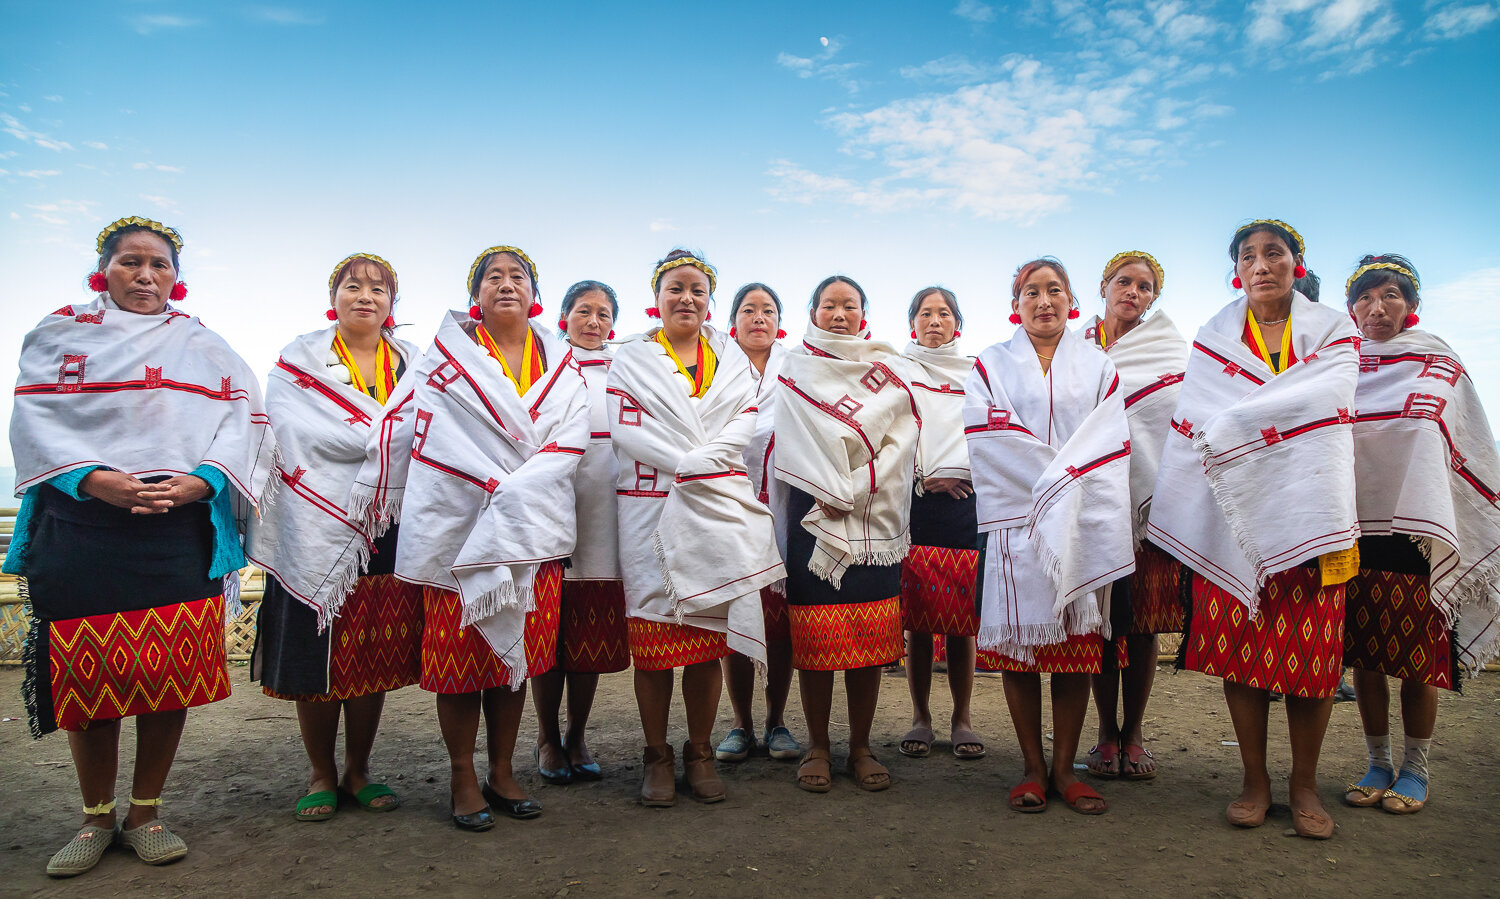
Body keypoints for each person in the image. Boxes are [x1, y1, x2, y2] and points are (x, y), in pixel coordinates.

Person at [7, 216, 276, 875]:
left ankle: (145, 810)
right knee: (91, 671)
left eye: (159, 265)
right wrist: (97, 481)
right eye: (131, 262)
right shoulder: (60, 333)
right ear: (104, 271)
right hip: (84, 526)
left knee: (165, 674)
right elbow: (36, 420)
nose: (146, 275)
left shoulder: (203, 345)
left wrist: (200, 482)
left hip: (176, 528)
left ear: (176, 280)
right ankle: (95, 816)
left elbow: (242, 422)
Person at [353, 245, 589, 830]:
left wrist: (514, 487)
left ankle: (502, 769)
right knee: (460, 662)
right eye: (493, 277)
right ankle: (463, 772)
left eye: (518, 277)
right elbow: (410, 428)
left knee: (516, 657)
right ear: (474, 294)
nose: (506, 285)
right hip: (459, 528)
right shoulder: (440, 360)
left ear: (535, 294)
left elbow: (572, 433)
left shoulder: (563, 362)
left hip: (531, 527)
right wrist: (488, 481)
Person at [1149, 220, 1360, 840]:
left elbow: (1327, 406)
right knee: (1243, 658)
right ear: (1236, 270)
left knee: (1313, 660)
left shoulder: (1332, 332)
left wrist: (1251, 423)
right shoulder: (1214, 341)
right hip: (1231, 521)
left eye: (1275, 253)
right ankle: (1253, 780)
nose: (1262, 264)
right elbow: (1200, 422)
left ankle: (1303, 785)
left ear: (1298, 263)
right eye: (1249, 256)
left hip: (1312, 511)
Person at [247, 253, 424, 821]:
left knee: (368, 652)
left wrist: (382, 454)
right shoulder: (298, 365)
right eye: (353, 286)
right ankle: (321, 772)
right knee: (316, 652)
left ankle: (359, 769)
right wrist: (373, 444)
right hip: (314, 524)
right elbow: (294, 432)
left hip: (387, 524)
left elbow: (429, 431)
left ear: (393, 304)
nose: (365, 296)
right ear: (335, 296)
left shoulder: (417, 366)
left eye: (378, 288)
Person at [606, 249, 784, 806]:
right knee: (655, 641)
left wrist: (697, 463)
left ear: (709, 303)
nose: (687, 299)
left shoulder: (731, 359)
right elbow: (624, 427)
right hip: (650, 508)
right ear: (655, 298)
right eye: (676, 289)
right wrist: (690, 462)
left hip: (715, 505)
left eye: (698, 291)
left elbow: (743, 422)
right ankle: (657, 754)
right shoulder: (629, 359)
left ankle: (700, 750)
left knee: (709, 637)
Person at [964, 258, 1133, 816]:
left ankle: (1065, 769)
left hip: (1080, 521)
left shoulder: (1099, 366)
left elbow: (1110, 436)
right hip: (1017, 524)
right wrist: (1058, 480)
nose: (1043, 301)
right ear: (1016, 305)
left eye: (1054, 290)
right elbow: (988, 436)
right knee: (1021, 650)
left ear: (1071, 300)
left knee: (1073, 651)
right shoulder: (992, 364)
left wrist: (1066, 486)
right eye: (1031, 292)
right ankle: (1033, 767)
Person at [1340, 254, 1500, 815]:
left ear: (1412, 305)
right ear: (1351, 305)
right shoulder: (1339, 364)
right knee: (1365, 656)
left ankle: (1416, 767)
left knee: (1416, 656)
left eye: (1389, 295)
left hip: (1418, 532)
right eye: (1364, 297)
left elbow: (1468, 443)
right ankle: (1377, 760)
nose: (1375, 308)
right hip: (1355, 530)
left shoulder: (1437, 361)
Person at [774, 275, 918, 793]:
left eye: (849, 306)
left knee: (867, 642)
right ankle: (817, 745)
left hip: (874, 521)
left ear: (864, 315)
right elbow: (790, 440)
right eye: (829, 305)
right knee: (814, 638)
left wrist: (853, 484)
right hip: (811, 518)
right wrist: (831, 482)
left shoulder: (888, 370)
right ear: (812, 313)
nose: (839, 314)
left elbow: (902, 439)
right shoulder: (794, 368)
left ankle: (860, 746)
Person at [1079, 252, 1189, 780]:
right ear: (1103, 286)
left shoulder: (1170, 351)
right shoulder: (1073, 348)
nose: (1134, 293)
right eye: (1124, 282)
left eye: (1146, 287)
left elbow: (1179, 423)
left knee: (1142, 626)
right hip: (1091, 504)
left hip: (1149, 509)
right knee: (1102, 622)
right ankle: (1104, 732)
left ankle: (1136, 731)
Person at [531, 280, 629, 784]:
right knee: (548, 630)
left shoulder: (626, 367)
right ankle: (547, 737)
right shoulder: (545, 365)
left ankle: (577, 734)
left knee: (588, 627)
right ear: (563, 316)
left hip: (604, 513)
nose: (594, 321)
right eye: (584, 311)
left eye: (604, 313)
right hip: (551, 503)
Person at [716, 282, 803, 764]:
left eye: (768, 310)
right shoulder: (716, 368)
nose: (758, 318)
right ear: (734, 321)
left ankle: (777, 722)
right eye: (748, 309)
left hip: (784, 509)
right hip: (728, 508)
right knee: (737, 614)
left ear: (779, 321)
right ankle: (740, 724)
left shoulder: (796, 370)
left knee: (779, 622)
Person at [897, 287, 986, 761]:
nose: (935, 321)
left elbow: (991, 429)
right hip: (911, 502)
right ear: (912, 323)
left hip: (965, 501)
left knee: (960, 620)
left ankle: (962, 718)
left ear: (958, 324)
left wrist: (959, 470)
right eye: (926, 313)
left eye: (944, 313)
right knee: (918, 620)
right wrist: (923, 474)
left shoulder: (978, 373)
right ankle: (921, 717)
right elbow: (887, 431)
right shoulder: (896, 372)